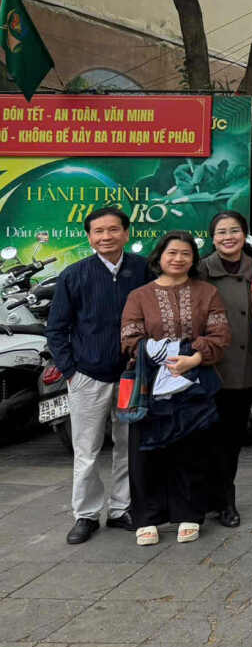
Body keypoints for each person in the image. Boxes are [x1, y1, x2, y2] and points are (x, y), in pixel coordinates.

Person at [48, 206, 151, 543]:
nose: (106, 237)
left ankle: (121, 509)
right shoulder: (74, 275)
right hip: (88, 376)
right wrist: (71, 371)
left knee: (127, 445)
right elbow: (56, 329)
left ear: (126, 233)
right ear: (89, 237)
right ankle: (86, 514)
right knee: (87, 450)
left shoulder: (143, 270)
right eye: (99, 231)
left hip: (131, 376)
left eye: (113, 229)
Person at [118, 233, 229, 544]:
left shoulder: (208, 292)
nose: (178, 259)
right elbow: (130, 337)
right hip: (151, 387)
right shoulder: (139, 295)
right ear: (159, 257)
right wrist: (161, 355)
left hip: (194, 384)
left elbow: (220, 334)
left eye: (185, 254)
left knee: (191, 451)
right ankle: (147, 517)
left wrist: (193, 359)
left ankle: (189, 513)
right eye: (172, 253)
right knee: (147, 453)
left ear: (194, 259)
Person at [199, 211, 252, 528]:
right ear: (212, 238)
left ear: (245, 235)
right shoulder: (200, 270)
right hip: (206, 367)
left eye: (234, 230)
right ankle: (204, 500)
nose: (228, 237)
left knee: (231, 439)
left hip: (244, 368)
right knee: (205, 439)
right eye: (221, 232)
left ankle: (224, 501)